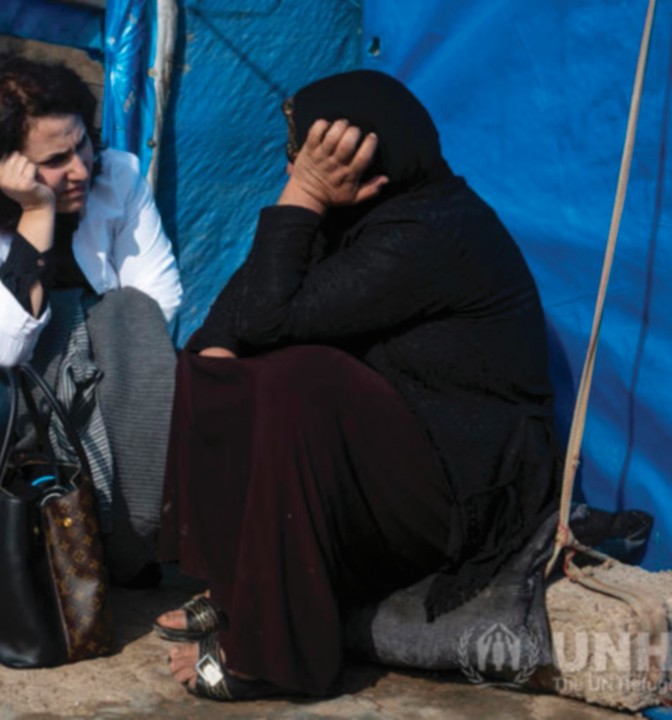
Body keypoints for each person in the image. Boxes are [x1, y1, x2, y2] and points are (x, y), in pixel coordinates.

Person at [154, 70, 558, 700]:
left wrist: (306, 197)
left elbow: (271, 319)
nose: (293, 170)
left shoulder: (434, 231)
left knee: (301, 381)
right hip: (382, 473)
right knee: (214, 365)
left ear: (372, 157)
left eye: (311, 156)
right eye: (297, 157)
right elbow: (230, 322)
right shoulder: (352, 219)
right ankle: (237, 589)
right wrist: (220, 363)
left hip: (455, 494)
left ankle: (272, 655)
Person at [0, 53, 182, 583]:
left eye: (83, 143)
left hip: (93, 376)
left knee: (135, 340)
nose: (81, 169)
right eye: (56, 159)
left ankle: (120, 531)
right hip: (12, 387)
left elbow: (154, 306)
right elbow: (0, 347)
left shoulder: (121, 177)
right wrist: (37, 214)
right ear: (6, 163)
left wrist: (66, 329)